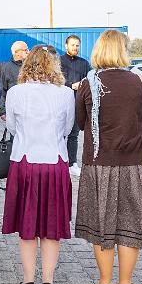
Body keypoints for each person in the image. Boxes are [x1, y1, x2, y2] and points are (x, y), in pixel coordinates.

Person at [74, 30, 142, 284]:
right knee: (130, 223)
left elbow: (80, 123)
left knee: (102, 223)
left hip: (99, 164)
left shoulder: (89, 83)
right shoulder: (141, 82)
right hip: (134, 163)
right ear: (123, 51)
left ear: (99, 50)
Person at [2, 45, 75, 284]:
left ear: (28, 63)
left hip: (25, 162)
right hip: (54, 162)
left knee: (27, 223)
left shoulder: (15, 92)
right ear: (54, 65)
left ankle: (28, 279)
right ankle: (48, 281)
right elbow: (67, 129)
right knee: (52, 224)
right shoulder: (65, 93)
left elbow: (11, 126)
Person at [59, 35, 90, 177]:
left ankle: (72, 163)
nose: (75, 48)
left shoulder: (84, 63)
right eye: (72, 45)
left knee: (73, 135)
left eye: (77, 45)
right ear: (66, 45)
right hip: (60, 104)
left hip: (77, 104)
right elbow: (55, 81)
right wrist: (71, 86)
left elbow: (89, 81)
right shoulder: (58, 62)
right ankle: (59, 162)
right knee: (59, 134)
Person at [0, 41, 29, 121]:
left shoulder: (31, 66)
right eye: (25, 50)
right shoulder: (7, 68)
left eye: (28, 49)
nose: (28, 52)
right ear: (16, 52)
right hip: (14, 112)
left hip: (31, 112)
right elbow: (2, 90)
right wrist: (2, 111)